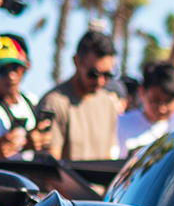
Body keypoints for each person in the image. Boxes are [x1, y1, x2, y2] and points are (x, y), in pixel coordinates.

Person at [40, 30, 123, 160]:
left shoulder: (108, 103)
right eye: (93, 74)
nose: (100, 81)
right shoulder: (55, 102)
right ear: (77, 61)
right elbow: (51, 168)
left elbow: (108, 157)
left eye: (107, 75)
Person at [0, 35, 50, 159]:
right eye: (2, 70)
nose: (11, 76)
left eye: (16, 68)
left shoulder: (32, 101)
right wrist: (25, 144)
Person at [119, 62, 174, 154]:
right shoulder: (121, 124)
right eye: (155, 100)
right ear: (142, 92)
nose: (162, 108)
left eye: (168, 101)